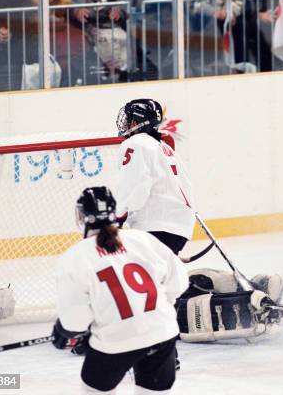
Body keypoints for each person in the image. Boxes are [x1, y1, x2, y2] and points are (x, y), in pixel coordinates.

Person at [52, 186, 189, 394]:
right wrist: (154, 311)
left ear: (83, 218)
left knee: (94, 390)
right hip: (162, 333)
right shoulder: (143, 239)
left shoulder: (75, 257)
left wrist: (65, 330)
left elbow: (75, 321)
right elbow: (179, 283)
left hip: (116, 340)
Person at [115, 98, 195, 255]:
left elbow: (136, 185)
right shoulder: (163, 148)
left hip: (156, 227)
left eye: (129, 120)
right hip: (179, 228)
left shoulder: (135, 143)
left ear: (136, 123)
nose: (126, 124)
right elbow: (186, 185)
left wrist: (116, 219)